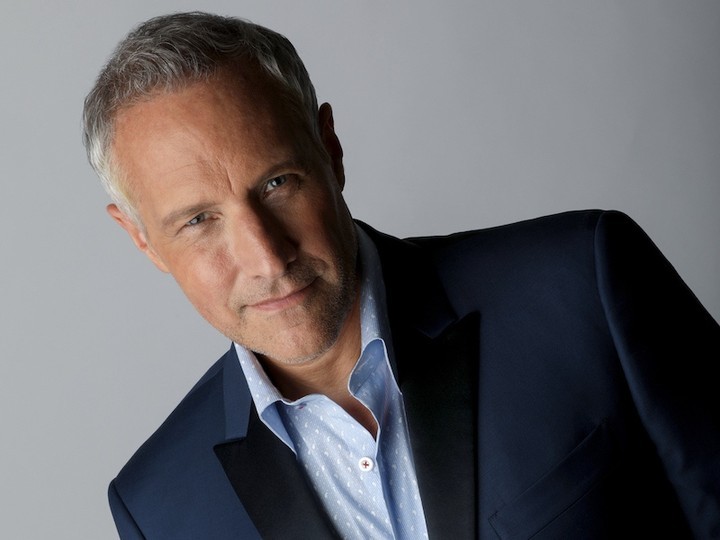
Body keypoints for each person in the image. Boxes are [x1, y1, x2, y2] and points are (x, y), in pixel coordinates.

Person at [82, 11, 720, 540]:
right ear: (142, 239)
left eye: (277, 183)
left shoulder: (584, 286)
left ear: (330, 149)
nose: (267, 258)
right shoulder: (157, 510)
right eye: (198, 221)